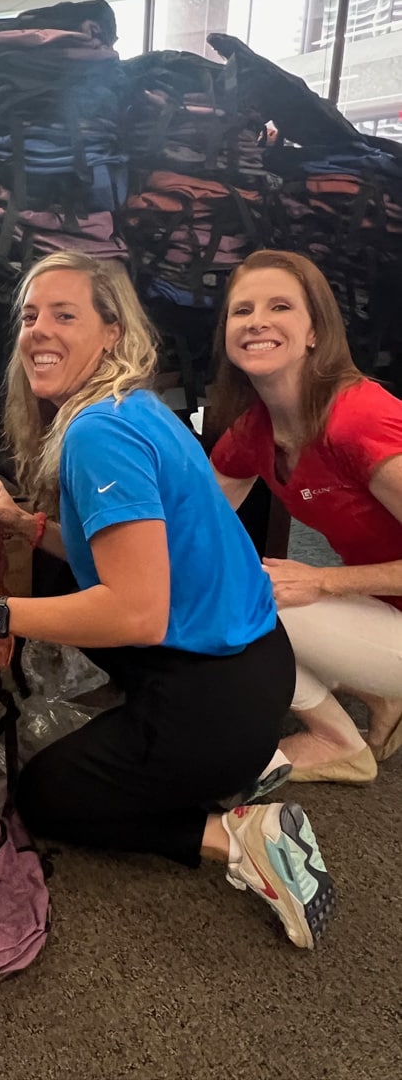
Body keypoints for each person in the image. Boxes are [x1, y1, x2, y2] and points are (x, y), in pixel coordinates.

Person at [0, 250, 335, 950]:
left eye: (65, 315)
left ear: (112, 332)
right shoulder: (134, 406)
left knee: (44, 795)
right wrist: (26, 526)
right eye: (30, 316)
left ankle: (236, 836)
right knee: (81, 607)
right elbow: (121, 555)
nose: (39, 331)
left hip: (216, 700)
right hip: (256, 668)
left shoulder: (97, 434)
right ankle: (212, 769)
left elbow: (136, 611)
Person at [209, 248, 402, 783]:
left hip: (381, 600)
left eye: (280, 307)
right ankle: (382, 695)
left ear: (315, 331)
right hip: (382, 605)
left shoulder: (358, 420)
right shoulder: (255, 428)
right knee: (223, 584)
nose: (257, 322)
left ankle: (338, 743)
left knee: (250, 598)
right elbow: (195, 524)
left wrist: (322, 581)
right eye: (242, 310)